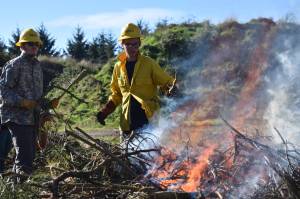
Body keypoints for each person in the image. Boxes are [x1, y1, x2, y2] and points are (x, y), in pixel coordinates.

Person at [96, 23, 177, 140]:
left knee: (148, 155)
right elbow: (117, 94)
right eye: (128, 44)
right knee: (126, 156)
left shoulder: (148, 63)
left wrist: (172, 89)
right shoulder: (118, 67)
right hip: (127, 123)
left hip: (147, 121)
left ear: (139, 44)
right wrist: (105, 112)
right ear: (122, 44)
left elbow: (166, 82)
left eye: (135, 44)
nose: (132, 48)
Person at [0, 28, 58, 177]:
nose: (34, 47)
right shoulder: (14, 65)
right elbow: (3, 91)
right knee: (25, 157)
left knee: (28, 155)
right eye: (30, 44)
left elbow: (36, 96)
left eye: (36, 44)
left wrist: (47, 104)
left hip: (32, 118)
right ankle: (22, 189)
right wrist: (22, 102)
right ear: (22, 46)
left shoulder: (37, 66)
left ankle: (14, 187)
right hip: (16, 118)